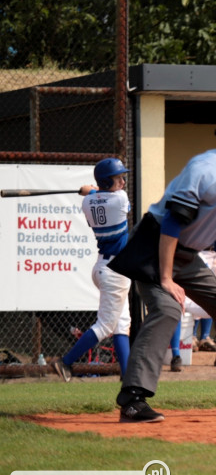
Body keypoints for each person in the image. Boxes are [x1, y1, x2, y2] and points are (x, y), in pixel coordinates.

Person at [108, 101, 216, 422]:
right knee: (168, 308)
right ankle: (132, 399)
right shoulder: (206, 168)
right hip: (155, 246)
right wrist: (165, 278)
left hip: (188, 254)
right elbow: (171, 224)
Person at [52, 158, 133, 381]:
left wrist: (92, 191)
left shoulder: (87, 203)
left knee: (121, 324)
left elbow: (97, 196)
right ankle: (65, 362)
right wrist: (93, 190)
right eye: (119, 178)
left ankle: (128, 380)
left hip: (103, 267)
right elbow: (107, 195)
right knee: (106, 326)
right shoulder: (120, 200)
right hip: (115, 272)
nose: (123, 182)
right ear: (109, 182)